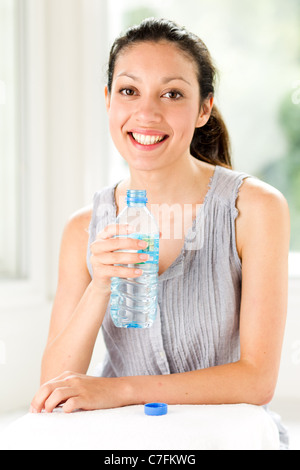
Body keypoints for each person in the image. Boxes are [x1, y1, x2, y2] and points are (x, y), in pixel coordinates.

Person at [31, 18, 290, 448]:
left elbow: (256, 380)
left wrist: (119, 390)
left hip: (222, 436)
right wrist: (100, 286)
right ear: (109, 101)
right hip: (122, 438)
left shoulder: (254, 208)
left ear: (204, 108)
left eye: (172, 94)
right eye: (128, 90)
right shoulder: (83, 229)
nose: (146, 112)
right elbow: (54, 388)